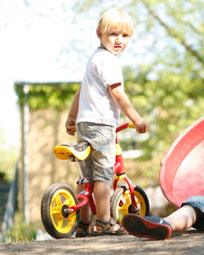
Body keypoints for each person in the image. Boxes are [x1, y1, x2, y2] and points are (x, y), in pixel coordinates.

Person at [65, 8, 148, 237]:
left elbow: (79, 93)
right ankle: (105, 221)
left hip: (84, 124)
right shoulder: (109, 61)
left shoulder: (94, 60)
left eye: (124, 35)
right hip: (101, 125)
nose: (119, 40)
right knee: (103, 174)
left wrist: (72, 118)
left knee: (86, 176)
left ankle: (82, 225)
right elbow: (118, 94)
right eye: (113, 34)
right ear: (99, 34)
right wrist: (136, 118)